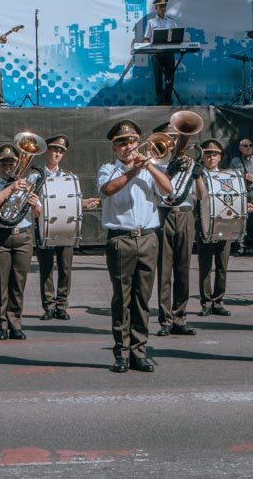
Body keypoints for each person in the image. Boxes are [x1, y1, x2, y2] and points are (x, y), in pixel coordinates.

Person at [98, 120, 173, 373]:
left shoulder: (151, 167)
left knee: (143, 299)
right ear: (114, 147)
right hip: (121, 239)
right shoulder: (108, 169)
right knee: (122, 298)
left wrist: (149, 166)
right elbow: (108, 189)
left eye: (132, 141)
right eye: (122, 143)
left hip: (148, 238)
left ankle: (139, 352)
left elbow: (168, 189)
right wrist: (132, 172)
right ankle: (121, 352)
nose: (128, 146)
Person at [34, 135, 99, 321]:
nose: (57, 154)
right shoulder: (36, 175)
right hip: (44, 226)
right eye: (54, 149)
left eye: (61, 151)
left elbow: (71, 201)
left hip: (65, 225)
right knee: (46, 267)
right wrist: (33, 206)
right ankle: (48, 305)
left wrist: (85, 203)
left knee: (65, 267)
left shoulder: (70, 176)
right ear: (47, 150)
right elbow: (29, 199)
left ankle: (61, 305)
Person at [0, 144, 40, 340]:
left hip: (23, 236)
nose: (8, 168)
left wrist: (34, 205)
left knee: (18, 283)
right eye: (3, 164)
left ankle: (16, 323)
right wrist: (11, 188)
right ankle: (1, 325)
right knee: (0, 283)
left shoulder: (28, 183)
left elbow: (38, 213)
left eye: (12, 163)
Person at [154, 121, 199, 337]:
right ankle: (165, 319)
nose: (175, 141)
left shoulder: (189, 161)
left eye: (177, 136)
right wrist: (169, 172)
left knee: (183, 269)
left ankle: (180, 316)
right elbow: (159, 192)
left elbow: (200, 195)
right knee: (164, 270)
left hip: (186, 213)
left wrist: (197, 174)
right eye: (170, 136)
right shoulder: (156, 162)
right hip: (164, 214)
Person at [195, 140, 234, 316]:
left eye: (215, 154)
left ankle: (218, 301)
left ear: (220, 157)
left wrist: (243, 206)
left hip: (224, 223)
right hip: (204, 224)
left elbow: (233, 199)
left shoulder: (227, 176)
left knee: (222, 265)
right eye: (208, 154)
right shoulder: (197, 175)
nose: (212, 157)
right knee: (205, 265)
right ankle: (206, 303)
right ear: (203, 157)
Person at [229, 137, 253, 256]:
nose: (248, 148)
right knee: (240, 221)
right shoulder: (235, 161)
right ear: (240, 148)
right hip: (241, 193)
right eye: (245, 146)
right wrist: (243, 179)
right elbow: (230, 178)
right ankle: (240, 248)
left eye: (250, 145)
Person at [144, 0, 180, 106]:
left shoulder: (172, 22)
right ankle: (160, 101)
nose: (163, 8)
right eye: (161, 6)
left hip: (169, 53)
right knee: (158, 77)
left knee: (170, 77)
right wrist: (148, 46)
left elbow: (177, 37)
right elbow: (146, 38)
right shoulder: (151, 22)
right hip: (157, 54)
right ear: (156, 8)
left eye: (164, 6)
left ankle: (168, 99)